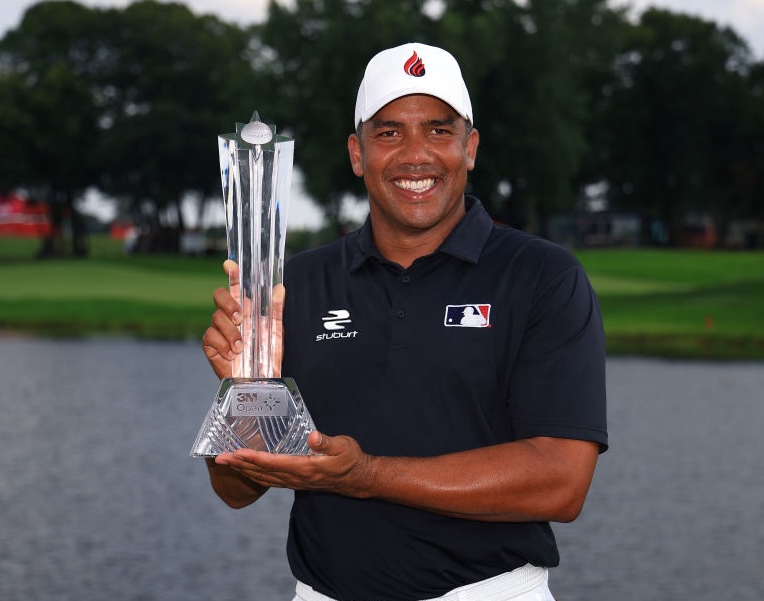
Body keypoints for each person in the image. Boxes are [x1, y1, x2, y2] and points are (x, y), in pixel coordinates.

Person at [201, 42, 608, 601]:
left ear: (470, 147)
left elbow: (561, 483)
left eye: (439, 131)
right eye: (389, 133)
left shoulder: (541, 275)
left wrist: (365, 476)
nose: (416, 155)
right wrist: (245, 393)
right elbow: (236, 489)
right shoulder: (298, 282)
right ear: (356, 153)